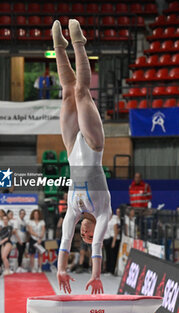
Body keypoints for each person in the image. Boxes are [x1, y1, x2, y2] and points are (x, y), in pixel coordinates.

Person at [52, 19, 112, 294]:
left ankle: (59, 47)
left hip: (72, 150)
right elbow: (98, 247)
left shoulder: (73, 212)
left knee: (66, 95)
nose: (86, 235)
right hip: (92, 145)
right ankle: (79, 43)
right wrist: (96, 274)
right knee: (81, 92)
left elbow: (65, 241)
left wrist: (61, 269)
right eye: (89, 235)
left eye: (84, 236)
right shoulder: (103, 212)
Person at [109, 208, 121, 275]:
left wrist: (114, 241)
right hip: (111, 238)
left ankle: (113, 270)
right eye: (117, 212)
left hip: (116, 239)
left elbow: (116, 231)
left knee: (115, 255)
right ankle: (111, 269)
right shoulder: (114, 218)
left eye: (119, 212)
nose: (118, 213)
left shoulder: (118, 219)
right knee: (111, 255)